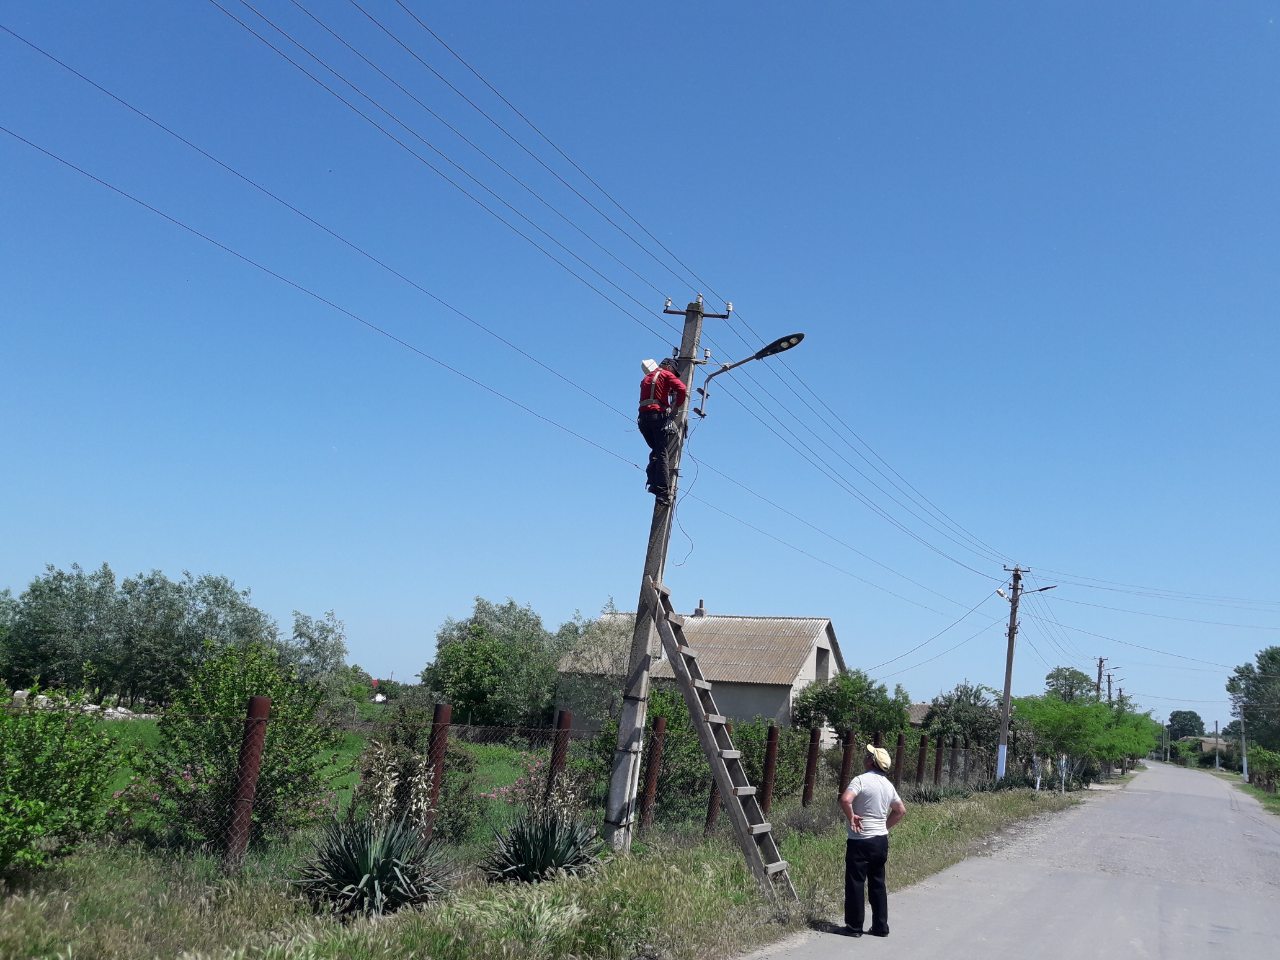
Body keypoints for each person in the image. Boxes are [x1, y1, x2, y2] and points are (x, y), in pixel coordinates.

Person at [840, 744, 907, 937]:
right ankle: (880, 926)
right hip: (880, 841)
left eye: (868, 755)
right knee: (878, 882)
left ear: (872, 761)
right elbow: (900, 811)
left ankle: (854, 927)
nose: (865, 757)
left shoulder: (860, 780)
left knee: (855, 882)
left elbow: (845, 800)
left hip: (860, 839)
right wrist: (884, 827)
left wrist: (851, 816)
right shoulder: (887, 785)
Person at [637, 357, 687, 505]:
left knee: (656, 451)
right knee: (662, 453)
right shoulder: (666, 374)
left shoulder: (647, 378)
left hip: (643, 420)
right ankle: (663, 492)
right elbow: (682, 389)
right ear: (669, 367)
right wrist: (676, 406)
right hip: (656, 417)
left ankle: (653, 483)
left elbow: (654, 393)